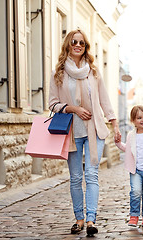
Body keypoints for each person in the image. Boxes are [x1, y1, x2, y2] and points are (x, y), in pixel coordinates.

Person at [49, 29, 121, 236]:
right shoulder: (59, 73)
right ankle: (78, 219)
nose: (78, 45)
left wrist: (114, 123)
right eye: (74, 42)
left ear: (86, 46)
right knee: (75, 177)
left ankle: (91, 220)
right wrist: (73, 109)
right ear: (68, 45)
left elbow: (104, 100)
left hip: (94, 130)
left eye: (81, 42)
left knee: (91, 175)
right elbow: (52, 104)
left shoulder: (94, 72)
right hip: (71, 131)